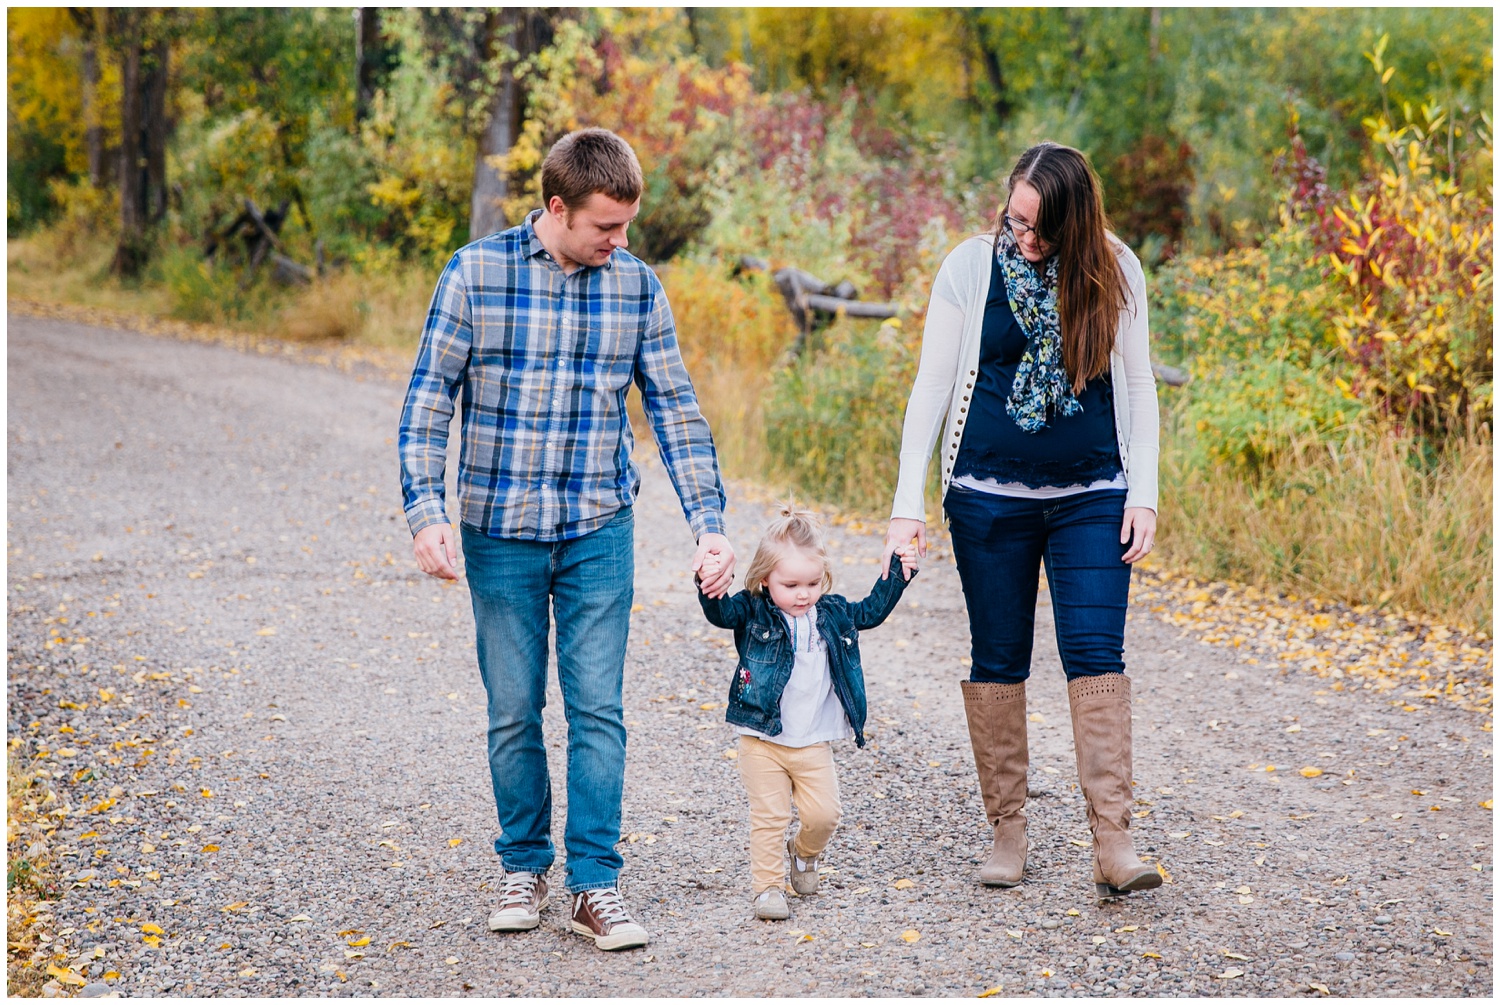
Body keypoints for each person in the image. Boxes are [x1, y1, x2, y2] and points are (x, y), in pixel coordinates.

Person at [398, 127, 736, 951]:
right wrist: (425, 509)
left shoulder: (635, 287)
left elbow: (676, 411)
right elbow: (427, 399)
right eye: (605, 227)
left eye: (627, 226)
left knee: (598, 709)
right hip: (499, 532)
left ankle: (595, 884)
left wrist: (710, 524)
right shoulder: (474, 274)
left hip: (596, 528)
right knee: (514, 709)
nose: (621, 242)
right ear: (557, 207)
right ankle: (523, 863)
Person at [881, 141, 1162, 902]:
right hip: (987, 496)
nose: (1025, 239)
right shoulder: (971, 268)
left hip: (1094, 494)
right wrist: (908, 505)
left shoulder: (1116, 268)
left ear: (1076, 224)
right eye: (1016, 220)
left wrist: (1146, 492)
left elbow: (1137, 379)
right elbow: (931, 391)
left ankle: (1114, 839)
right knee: (998, 655)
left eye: (1041, 229)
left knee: (1097, 651)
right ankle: (1008, 830)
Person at [697, 505, 918, 920]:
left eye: (813, 583)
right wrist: (708, 582)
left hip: (813, 741)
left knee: (825, 814)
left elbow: (871, 611)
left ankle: (803, 853)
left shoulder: (830, 614)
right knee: (770, 816)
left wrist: (898, 571)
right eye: (791, 584)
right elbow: (720, 613)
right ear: (765, 580)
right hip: (762, 739)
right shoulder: (754, 611)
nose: (803, 593)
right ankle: (767, 888)